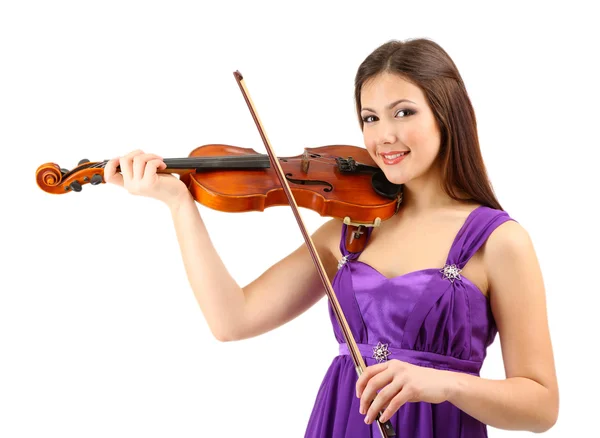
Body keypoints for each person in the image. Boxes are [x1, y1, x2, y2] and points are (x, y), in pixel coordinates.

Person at [103, 38, 559, 437]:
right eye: (370, 117)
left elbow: (541, 407)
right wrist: (180, 204)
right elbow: (232, 320)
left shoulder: (499, 241)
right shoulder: (348, 230)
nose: (384, 135)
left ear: (447, 114)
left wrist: (443, 384)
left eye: (403, 112)